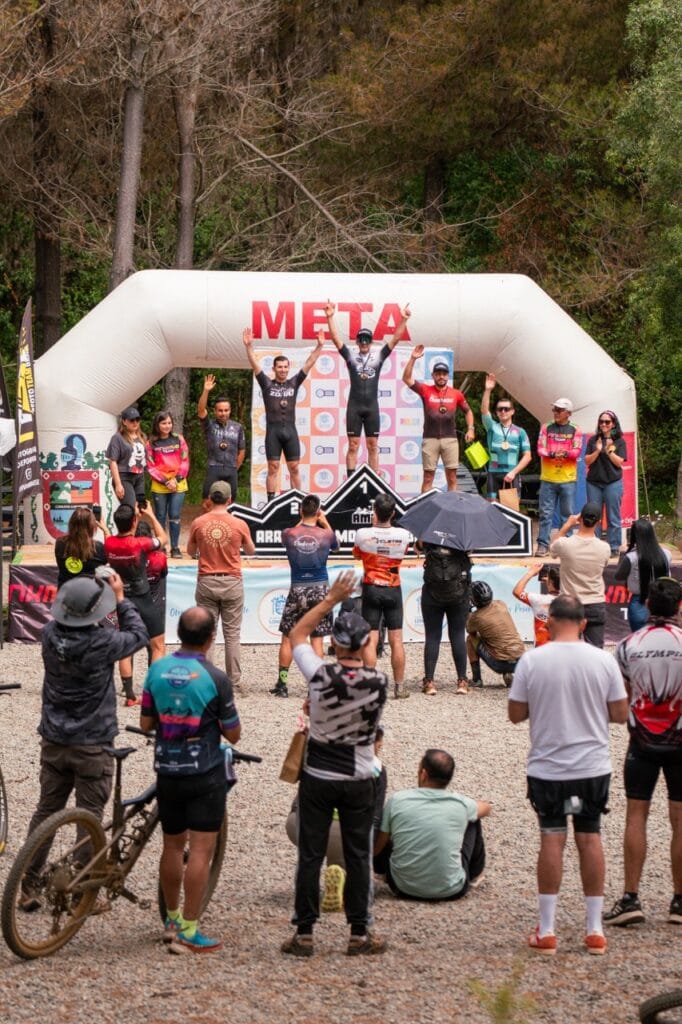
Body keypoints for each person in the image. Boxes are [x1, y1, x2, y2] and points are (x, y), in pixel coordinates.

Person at [508, 595, 629, 956]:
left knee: (552, 838)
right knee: (590, 838)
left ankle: (547, 929)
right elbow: (621, 713)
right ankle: (593, 929)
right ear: (584, 623)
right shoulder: (602, 661)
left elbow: (516, 714)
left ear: (549, 621)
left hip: (548, 766)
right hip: (592, 765)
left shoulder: (532, 660)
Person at [20, 573, 148, 909]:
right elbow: (138, 635)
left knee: (46, 810)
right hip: (92, 740)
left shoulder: (49, 635)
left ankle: (29, 885)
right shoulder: (102, 641)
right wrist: (120, 598)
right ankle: (81, 890)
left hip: (54, 737)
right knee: (89, 814)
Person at [281, 569, 388, 958]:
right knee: (359, 854)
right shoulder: (378, 683)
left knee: (310, 854)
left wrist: (329, 600)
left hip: (318, 774)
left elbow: (296, 635)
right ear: (364, 643)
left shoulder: (320, 674)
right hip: (359, 774)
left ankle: (304, 933)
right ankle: (360, 932)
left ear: (335, 644)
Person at [140, 605, 241, 953]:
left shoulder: (157, 669)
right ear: (212, 638)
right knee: (200, 850)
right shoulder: (216, 678)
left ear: (178, 634)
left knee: (171, 846)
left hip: (167, 769)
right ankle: (189, 928)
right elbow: (234, 733)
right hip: (205, 771)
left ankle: (169, 921)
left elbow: (145, 724)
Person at [604, 578, 682, 929]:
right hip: (680, 740)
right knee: (680, 822)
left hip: (641, 741)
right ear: (679, 607)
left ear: (648, 605)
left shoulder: (627, 645)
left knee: (636, 817)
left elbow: (623, 694)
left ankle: (631, 898)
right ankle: (679, 902)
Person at [285, 726, 387, 913]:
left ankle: (306, 907)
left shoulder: (320, 754)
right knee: (348, 848)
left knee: (311, 856)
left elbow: (299, 799)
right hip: (343, 835)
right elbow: (375, 815)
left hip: (299, 826)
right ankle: (341, 876)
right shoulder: (376, 768)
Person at [373, 748, 490, 900]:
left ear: (423, 774)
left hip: (402, 887)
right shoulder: (460, 804)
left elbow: (377, 849)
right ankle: (474, 874)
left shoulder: (398, 800)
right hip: (452, 889)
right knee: (473, 819)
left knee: (386, 825)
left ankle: (384, 872)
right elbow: (486, 808)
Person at [324, 299, 411, 475]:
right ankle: (350, 481)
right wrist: (330, 317)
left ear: (371, 342)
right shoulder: (350, 356)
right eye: (361, 340)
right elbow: (335, 339)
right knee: (353, 445)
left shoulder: (378, 356)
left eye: (367, 340)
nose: (364, 343)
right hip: (354, 407)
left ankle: (374, 480)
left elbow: (394, 340)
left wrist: (403, 320)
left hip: (371, 407)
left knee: (373, 445)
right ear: (357, 342)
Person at [187, 480, 256, 691]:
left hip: (207, 580)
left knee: (208, 633)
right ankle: (234, 681)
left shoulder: (198, 522)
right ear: (229, 500)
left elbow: (190, 552)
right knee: (232, 634)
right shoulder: (239, 524)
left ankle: (206, 679)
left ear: (209, 499)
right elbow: (251, 550)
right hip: (232, 580)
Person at [242, 327, 324, 499]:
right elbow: (255, 364)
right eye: (279, 367)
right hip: (273, 432)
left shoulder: (294, 383)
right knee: (273, 467)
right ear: (274, 368)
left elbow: (309, 363)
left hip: (290, 432)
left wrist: (319, 346)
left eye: (285, 367)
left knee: (294, 467)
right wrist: (249, 347)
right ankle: (271, 501)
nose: (283, 370)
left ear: (289, 368)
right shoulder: (266, 384)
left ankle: (299, 499)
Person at [272, 494, 339, 698]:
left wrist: (303, 520)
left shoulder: (289, 533)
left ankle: (282, 684)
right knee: (317, 640)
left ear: (301, 511)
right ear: (318, 512)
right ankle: (316, 685)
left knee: (287, 638)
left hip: (298, 588)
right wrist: (324, 520)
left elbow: (292, 533)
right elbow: (335, 546)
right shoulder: (327, 535)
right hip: (320, 588)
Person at [105, 501, 168, 704]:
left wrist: (134, 519)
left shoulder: (109, 543)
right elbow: (163, 539)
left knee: (126, 647)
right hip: (143, 598)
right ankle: (153, 691)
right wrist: (150, 515)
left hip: (124, 599)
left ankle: (129, 694)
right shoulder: (140, 544)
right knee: (158, 646)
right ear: (133, 522)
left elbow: (124, 537)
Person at [353, 493, 411, 699]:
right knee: (397, 639)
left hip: (371, 588)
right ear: (393, 513)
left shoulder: (363, 533)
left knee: (370, 638)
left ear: (374, 512)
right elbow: (405, 552)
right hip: (393, 588)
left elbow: (356, 555)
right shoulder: (404, 535)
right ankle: (400, 687)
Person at [402, 345, 474, 492]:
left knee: (452, 478)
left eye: (444, 374)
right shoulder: (425, 390)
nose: (441, 376)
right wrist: (413, 359)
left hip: (450, 439)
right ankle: (425, 511)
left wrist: (471, 429)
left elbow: (468, 411)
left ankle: (452, 512)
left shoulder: (456, 394)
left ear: (448, 376)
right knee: (428, 478)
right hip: (430, 439)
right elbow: (406, 378)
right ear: (433, 375)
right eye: (438, 373)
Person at [549, 501, 610, 648]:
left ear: (580, 518)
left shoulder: (565, 544)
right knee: (596, 652)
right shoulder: (604, 548)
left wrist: (567, 525)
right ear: (599, 522)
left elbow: (552, 548)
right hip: (595, 603)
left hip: (569, 604)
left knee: (566, 649)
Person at [418, 542, 472, 695]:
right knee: (458, 635)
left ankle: (429, 682)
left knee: (432, 636)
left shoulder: (430, 532)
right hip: (459, 593)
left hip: (432, 594)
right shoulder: (464, 535)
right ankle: (462, 681)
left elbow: (417, 547)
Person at [535, 398, 583, 557]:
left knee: (567, 515)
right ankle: (542, 545)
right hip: (548, 478)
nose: (555, 412)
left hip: (567, 479)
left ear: (568, 413)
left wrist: (566, 453)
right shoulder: (546, 427)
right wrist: (554, 453)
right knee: (545, 513)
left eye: (559, 410)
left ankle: (566, 545)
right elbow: (540, 449)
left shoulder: (575, 429)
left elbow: (576, 452)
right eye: (554, 409)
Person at [465, 580, 525, 693]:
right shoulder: (501, 604)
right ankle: (508, 674)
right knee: (497, 640)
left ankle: (477, 680)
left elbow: (469, 630)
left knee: (470, 639)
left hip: (499, 664)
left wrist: (468, 611)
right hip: (520, 660)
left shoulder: (476, 618)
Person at [615, 517, 673, 631]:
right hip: (663, 603)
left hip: (639, 602)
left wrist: (623, 554)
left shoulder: (631, 557)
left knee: (640, 641)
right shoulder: (666, 554)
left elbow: (618, 576)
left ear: (633, 535)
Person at [145, 410, 190, 559]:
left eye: (169, 423)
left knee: (175, 515)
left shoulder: (179, 439)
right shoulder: (151, 443)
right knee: (160, 516)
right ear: (157, 425)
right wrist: (165, 481)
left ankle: (175, 548)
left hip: (178, 483)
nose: (167, 426)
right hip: (160, 485)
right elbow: (150, 466)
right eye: (163, 423)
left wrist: (175, 480)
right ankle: (161, 546)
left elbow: (185, 461)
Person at [197, 376, 246, 510]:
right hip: (214, 467)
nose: (223, 413)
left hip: (231, 469)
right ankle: (206, 529)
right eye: (220, 410)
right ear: (215, 411)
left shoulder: (238, 427)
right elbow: (201, 410)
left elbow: (242, 449)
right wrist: (206, 391)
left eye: (226, 410)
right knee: (207, 502)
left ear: (230, 410)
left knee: (231, 504)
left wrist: (235, 467)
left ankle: (227, 530)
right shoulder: (209, 425)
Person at [480, 373, 532, 501]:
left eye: (506, 409)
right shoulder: (492, 427)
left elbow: (527, 456)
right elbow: (484, 411)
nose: (503, 411)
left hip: (511, 473)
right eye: (500, 409)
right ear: (496, 412)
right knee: (492, 509)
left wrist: (513, 472)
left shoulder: (520, 432)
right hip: (493, 473)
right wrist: (487, 390)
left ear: (512, 411)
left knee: (511, 511)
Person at [584, 410, 627, 557]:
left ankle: (614, 546)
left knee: (613, 516)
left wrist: (609, 451)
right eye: (601, 421)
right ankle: (593, 545)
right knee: (593, 515)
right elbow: (587, 461)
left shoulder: (619, 441)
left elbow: (619, 462)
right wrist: (597, 450)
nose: (603, 424)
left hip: (613, 482)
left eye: (607, 422)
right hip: (594, 482)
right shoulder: (593, 440)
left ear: (613, 424)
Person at [54, 507, 108, 589]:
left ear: (71, 524)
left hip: (65, 595)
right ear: (92, 526)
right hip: (90, 595)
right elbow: (111, 556)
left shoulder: (60, 543)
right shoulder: (98, 547)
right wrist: (106, 531)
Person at [106, 406, 148, 510]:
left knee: (140, 509)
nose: (135, 422)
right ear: (124, 421)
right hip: (124, 476)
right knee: (130, 508)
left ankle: (136, 527)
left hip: (139, 476)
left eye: (137, 419)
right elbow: (113, 461)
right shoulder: (117, 438)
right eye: (132, 420)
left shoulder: (142, 437)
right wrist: (118, 484)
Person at [512, 564, 561, 648]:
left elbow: (517, 591)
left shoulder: (538, 600)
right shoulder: (571, 601)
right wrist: (550, 583)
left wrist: (530, 573)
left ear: (550, 582)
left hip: (541, 649)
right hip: (562, 649)